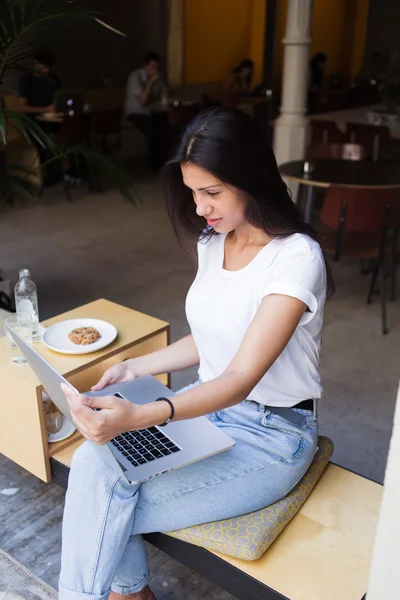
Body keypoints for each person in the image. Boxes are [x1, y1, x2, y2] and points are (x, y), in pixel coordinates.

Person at [59, 106, 332, 600]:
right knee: (92, 467)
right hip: (209, 415)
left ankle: (121, 595)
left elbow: (242, 375)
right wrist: (132, 366)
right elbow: (213, 336)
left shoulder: (295, 258)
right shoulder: (215, 241)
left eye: (212, 192)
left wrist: (144, 414)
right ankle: (128, 595)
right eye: (192, 193)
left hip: (272, 436)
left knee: (101, 507)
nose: (201, 208)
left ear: (250, 178)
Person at [124, 51, 167, 167]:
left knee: (164, 125)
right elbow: (142, 100)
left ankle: (161, 162)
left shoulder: (158, 78)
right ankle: (153, 163)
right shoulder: (135, 77)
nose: (155, 70)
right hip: (135, 113)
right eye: (152, 67)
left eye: (157, 67)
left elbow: (161, 97)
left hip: (150, 112)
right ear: (145, 66)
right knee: (153, 128)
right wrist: (151, 82)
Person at [18, 46, 61, 115]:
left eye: (49, 68)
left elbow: (59, 99)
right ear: (36, 63)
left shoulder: (53, 78)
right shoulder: (27, 79)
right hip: (33, 121)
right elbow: (22, 108)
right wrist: (45, 110)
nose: (47, 71)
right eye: (45, 67)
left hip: (52, 119)